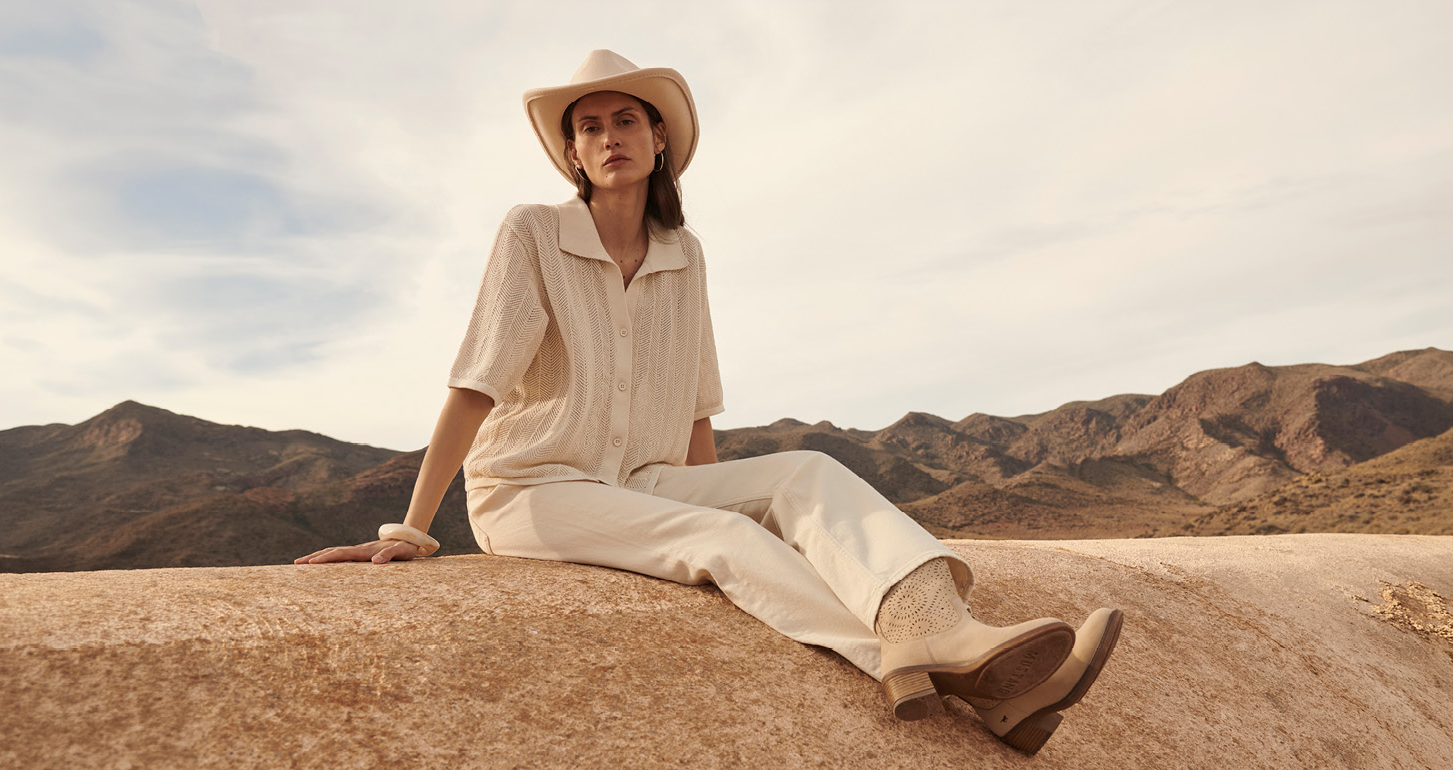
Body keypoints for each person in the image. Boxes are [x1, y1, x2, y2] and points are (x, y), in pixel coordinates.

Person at [294, 49, 1123, 754]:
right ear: (573, 153)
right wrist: (412, 530)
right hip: (530, 490)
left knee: (804, 472)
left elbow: (696, 409)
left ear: (659, 138)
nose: (609, 137)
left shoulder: (683, 254)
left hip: (643, 481)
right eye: (590, 127)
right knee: (722, 539)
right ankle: (920, 666)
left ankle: (945, 631)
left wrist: (731, 498)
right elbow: (475, 385)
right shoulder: (533, 233)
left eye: (626, 120)